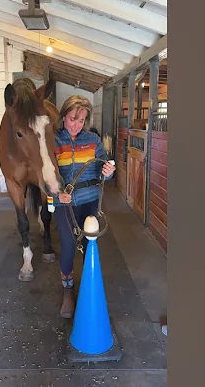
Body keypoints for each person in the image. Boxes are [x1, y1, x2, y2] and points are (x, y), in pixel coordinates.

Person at [52, 95, 116, 319]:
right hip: (64, 203)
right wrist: (57, 192)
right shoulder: (53, 141)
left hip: (90, 199)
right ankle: (68, 291)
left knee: (90, 246)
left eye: (81, 120)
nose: (77, 125)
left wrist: (108, 171)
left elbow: (103, 166)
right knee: (68, 246)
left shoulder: (93, 140)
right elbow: (44, 176)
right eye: (72, 119)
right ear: (63, 116)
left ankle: (90, 289)